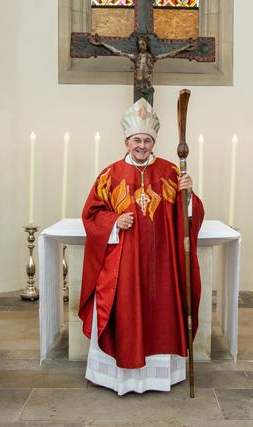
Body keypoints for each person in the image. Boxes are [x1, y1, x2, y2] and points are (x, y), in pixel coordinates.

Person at [80, 98, 204, 395]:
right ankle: (119, 377)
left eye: (147, 140)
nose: (141, 145)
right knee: (125, 313)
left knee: (162, 311)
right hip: (124, 264)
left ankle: (159, 377)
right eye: (136, 139)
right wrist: (113, 222)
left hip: (164, 262)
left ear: (153, 142)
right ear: (126, 141)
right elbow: (91, 214)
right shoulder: (109, 175)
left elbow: (191, 215)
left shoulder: (171, 172)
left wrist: (188, 197)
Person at [88, 34, 196, 105]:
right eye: (139, 44)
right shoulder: (136, 57)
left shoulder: (151, 58)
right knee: (136, 116)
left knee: (149, 116)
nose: (141, 46)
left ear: (147, 44)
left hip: (148, 88)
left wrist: (185, 47)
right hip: (138, 88)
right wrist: (102, 43)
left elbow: (170, 53)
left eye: (143, 43)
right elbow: (117, 51)